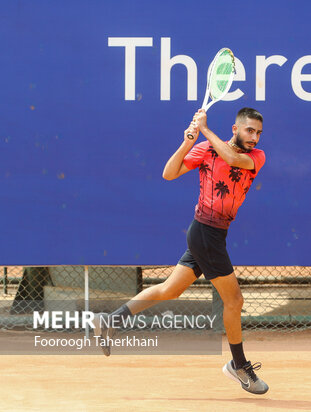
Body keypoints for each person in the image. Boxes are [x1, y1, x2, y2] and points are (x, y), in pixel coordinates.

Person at [94, 107, 268, 395]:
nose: (255, 137)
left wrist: (206, 129)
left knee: (170, 290)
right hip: (204, 233)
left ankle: (111, 320)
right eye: (249, 130)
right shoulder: (204, 150)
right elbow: (168, 173)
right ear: (235, 128)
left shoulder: (255, 157)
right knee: (234, 301)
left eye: (259, 132)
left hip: (213, 234)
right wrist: (189, 141)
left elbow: (233, 158)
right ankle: (238, 366)